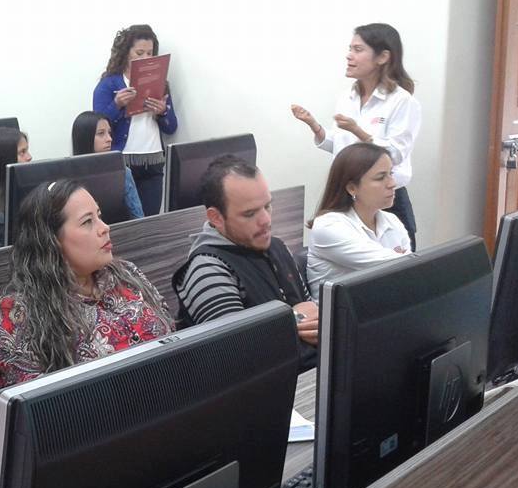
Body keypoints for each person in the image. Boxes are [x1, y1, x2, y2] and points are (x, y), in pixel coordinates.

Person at [0, 179, 174, 388]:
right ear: (52, 240)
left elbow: (173, 334)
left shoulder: (126, 274)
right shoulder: (18, 313)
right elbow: (34, 401)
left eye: (99, 216)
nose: (105, 228)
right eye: (87, 222)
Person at [171, 155, 318, 371]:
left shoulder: (277, 247)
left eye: (267, 206)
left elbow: (310, 313)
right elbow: (236, 355)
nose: (266, 220)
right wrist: (295, 319)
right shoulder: (207, 269)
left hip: (307, 375)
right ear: (216, 218)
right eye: (250, 214)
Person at [290, 22, 421, 250]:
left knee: (396, 265)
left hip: (385, 200)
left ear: (383, 57)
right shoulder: (347, 97)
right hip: (348, 195)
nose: (349, 56)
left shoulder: (402, 101)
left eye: (358, 50)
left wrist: (358, 131)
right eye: (350, 49)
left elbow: (396, 154)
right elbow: (344, 149)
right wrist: (316, 127)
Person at [306, 143, 411, 301]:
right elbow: (398, 267)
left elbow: (408, 273)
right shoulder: (328, 226)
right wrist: (402, 259)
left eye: (391, 173)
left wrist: (404, 261)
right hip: (343, 315)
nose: (392, 184)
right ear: (352, 188)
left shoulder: (392, 220)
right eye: (380, 177)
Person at [92, 24, 178, 216]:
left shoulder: (160, 84)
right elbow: (96, 128)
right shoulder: (109, 84)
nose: (146, 58)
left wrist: (163, 112)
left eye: (150, 53)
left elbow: (171, 127)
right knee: (123, 219)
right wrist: (117, 104)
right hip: (121, 162)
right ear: (125, 53)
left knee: (149, 221)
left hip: (153, 161)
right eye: (139, 53)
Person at [71, 110, 144, 219]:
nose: (109, 139)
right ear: (85, 137)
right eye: (101, 133)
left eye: (109, 133)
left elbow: (138, 217)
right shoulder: (68, 177)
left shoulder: (122, 172)